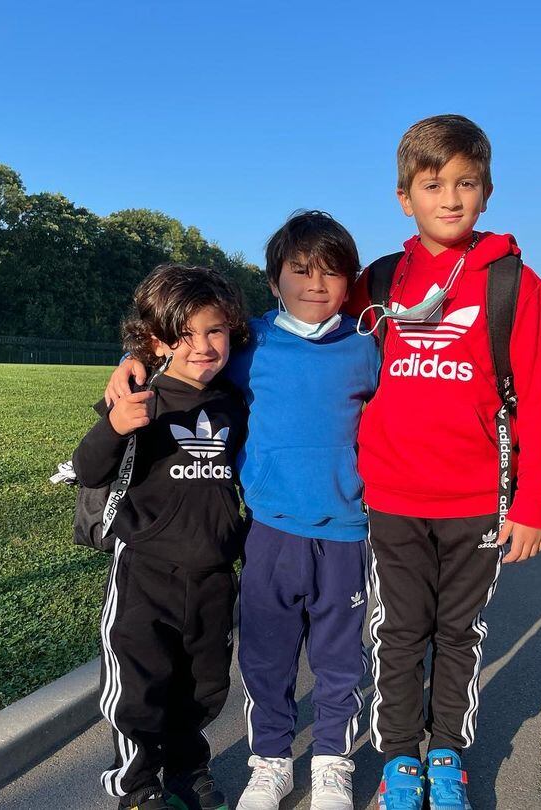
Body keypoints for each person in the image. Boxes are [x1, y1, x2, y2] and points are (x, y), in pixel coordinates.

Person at [105, 211, 379, 810]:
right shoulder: (248, 345)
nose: (315, 284)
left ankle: (332, 760)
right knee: (266, 657)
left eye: (332, 273)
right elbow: (181, 349)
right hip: (271, 533)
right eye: (300, 270)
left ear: (351, 282)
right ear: (273, 279)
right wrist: (131, 363)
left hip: (346, 532)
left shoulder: (365, 350)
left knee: (339, 659)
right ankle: (272, 760)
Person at [349, 114, 541, 809]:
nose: (450, 197)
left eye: (465, 182)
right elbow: (304, 330)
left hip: (477, 500)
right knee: (399, 632)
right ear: (404, 197)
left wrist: (531, 504)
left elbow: (534, 402)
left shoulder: (516, 285)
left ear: (487, 191)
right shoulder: (377, 280)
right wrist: (152, 354)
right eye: (432, 183)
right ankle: (399, 758)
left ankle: (447, 752)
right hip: (391, 497)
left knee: (459, 633)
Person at [74, 264, 249, 810]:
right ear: (155, 340)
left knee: (203, 687)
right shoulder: (138, 395)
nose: (201, 346)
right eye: (184, 333)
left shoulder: (233, 402)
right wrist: (115, 424)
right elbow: (87, 467)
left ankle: (186, 770)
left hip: (215, 573)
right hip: (146, 574)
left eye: (214, 331)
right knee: (139, 688)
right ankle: (137, 785)